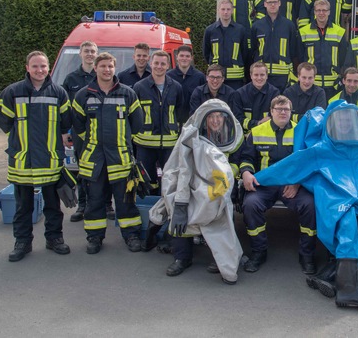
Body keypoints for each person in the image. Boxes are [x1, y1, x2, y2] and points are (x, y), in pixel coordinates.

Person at [254, 100, 358, 308]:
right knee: (347, 221)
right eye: (340, 121)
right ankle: (347, 289)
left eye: (349, 121)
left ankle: (338, 280)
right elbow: (290, 166)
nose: (345, 125)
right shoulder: (322, 148)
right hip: (336, 198)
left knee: (352, 221)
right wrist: (257, 177)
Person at [147, 99, 244, 284]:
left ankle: (221, 258)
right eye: (212, 117)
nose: (216, 121)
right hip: (191, 186)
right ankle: (182, 257)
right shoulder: (191, 138)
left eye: (219, 117)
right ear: (204, 120)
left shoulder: (235, 139)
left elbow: (238, 164)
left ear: (226, 120)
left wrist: (226, 176)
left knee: (222, 216)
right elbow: (181, 170)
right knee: (178, 209)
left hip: (219, 189)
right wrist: (182, 202)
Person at [0, 50, 72, 261]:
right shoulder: (13, 92)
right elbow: (2, 120)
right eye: (35, 66)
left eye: (43, 66)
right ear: (27, 68)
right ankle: (22, 242)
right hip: (23, 161)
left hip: (50, 160)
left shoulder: (59, 93)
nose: (40, 70)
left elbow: (66, 122)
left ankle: (54, 239)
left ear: (48, 68)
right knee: (23, 207)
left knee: (53, 207)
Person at [72, 52, 144, 254]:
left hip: (120, 158)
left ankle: (131, 235)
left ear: (115, 68)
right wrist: (93, 143)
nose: (106, 70)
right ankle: (94, 238)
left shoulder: (127, 93)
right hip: (94, 159)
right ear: (95, 68)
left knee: (126, 201)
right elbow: (77, 126)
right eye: (102, 66)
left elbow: (137, 125)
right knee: (95, 201)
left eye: (110, 66)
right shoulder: (83, 95)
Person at [239, 96, 317, 274]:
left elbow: (307, 163)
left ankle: (307, 255)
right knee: (250, 205)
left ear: (291, 112)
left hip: (292, 185)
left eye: (286, 109)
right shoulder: (257, 131)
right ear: (271, 112)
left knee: (311, 206)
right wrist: (246, 173)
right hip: (264, 185)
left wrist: (297, 183)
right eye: (279, 109)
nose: (283, 112)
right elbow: (246, 158)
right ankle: (259, 251)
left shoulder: (300, 132)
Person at [62, 41, 114, 223]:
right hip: (80, 135)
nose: (90, 54)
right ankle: (82, 206)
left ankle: (107, 205)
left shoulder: (103, 74)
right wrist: (65, 132)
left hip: (102, 135)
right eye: (87, 51)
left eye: (93, 51)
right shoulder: (70, 79)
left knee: (105, 170)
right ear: (80, 54)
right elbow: (67, 109)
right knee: (82, 171)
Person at [133, 50, 185, 195]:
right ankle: (149, 210)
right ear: (151, 63)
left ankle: (167, 211)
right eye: (156, 63)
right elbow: (133, 115)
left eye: (163, 64)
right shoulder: (139, 87)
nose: (159, 66)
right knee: (146, 181)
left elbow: (181, 114)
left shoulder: (176, 87)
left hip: (169, 144)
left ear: (168, 66)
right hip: (145, 145)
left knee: (171, 180)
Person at [250, 0, 300, 91]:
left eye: (275, 2)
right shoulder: (257, 26)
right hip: (262, 75)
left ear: (280, 3)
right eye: (269, 2)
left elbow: (293, 51)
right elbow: (253, 50)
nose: (272, 5)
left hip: (283, 77)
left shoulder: (289, 25)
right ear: (265, 4)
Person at [299, 0, 348, 100]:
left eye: (324, 10)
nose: (321, 13)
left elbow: (343, 57)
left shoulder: (339, 31)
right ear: (314, 12)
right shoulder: (303, 31)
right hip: (312, 84)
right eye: (318, 10)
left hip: (333, 85)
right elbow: (299, 56)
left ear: (329, 12)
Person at [203, 0, 249, 90]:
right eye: (223, 9)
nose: (226, 12)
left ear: (232, 11)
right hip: (216, 79)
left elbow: (245, 53)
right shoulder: (210, 30)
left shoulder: (240, 30)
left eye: (228, 9)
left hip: (236, 79)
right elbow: (206, 53)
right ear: (218, 10)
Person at [232, 61, 280, 132]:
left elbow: (276, 117)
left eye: (262, 75)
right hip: (246, 135)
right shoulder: (240, 93)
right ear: (251, 76)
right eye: (256, 75)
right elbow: (237, 119)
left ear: (267, 76)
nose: (259, 78)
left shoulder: (275, 93)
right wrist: (257, 123)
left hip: (267, 134)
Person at [167, 46, 206, 122]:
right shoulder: (168, 76)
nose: (184, 58)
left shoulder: (200, 77)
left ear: (192, 58)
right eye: (181, 55)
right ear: (176, 57)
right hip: (173, 121)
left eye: (187, 56)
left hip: (193, 121)